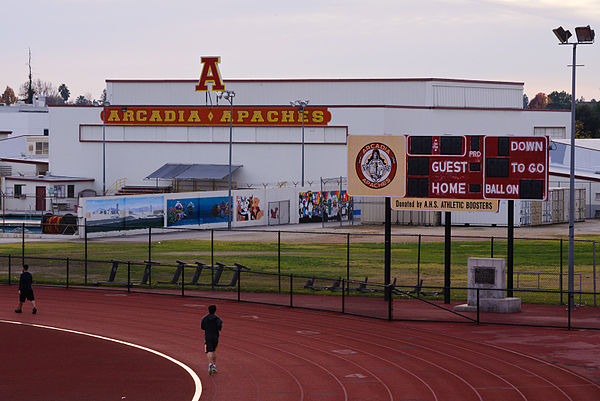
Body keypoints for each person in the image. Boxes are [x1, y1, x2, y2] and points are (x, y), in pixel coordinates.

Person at [201, 304, 222, 375]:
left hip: (208, 336)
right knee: (214, 350)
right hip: (215, 336)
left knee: (209, 350)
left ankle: (210, 364)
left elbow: (202, 327)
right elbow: (220, 327)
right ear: (215, 310)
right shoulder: (218, 319)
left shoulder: (204, 318)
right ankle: (214, 366)